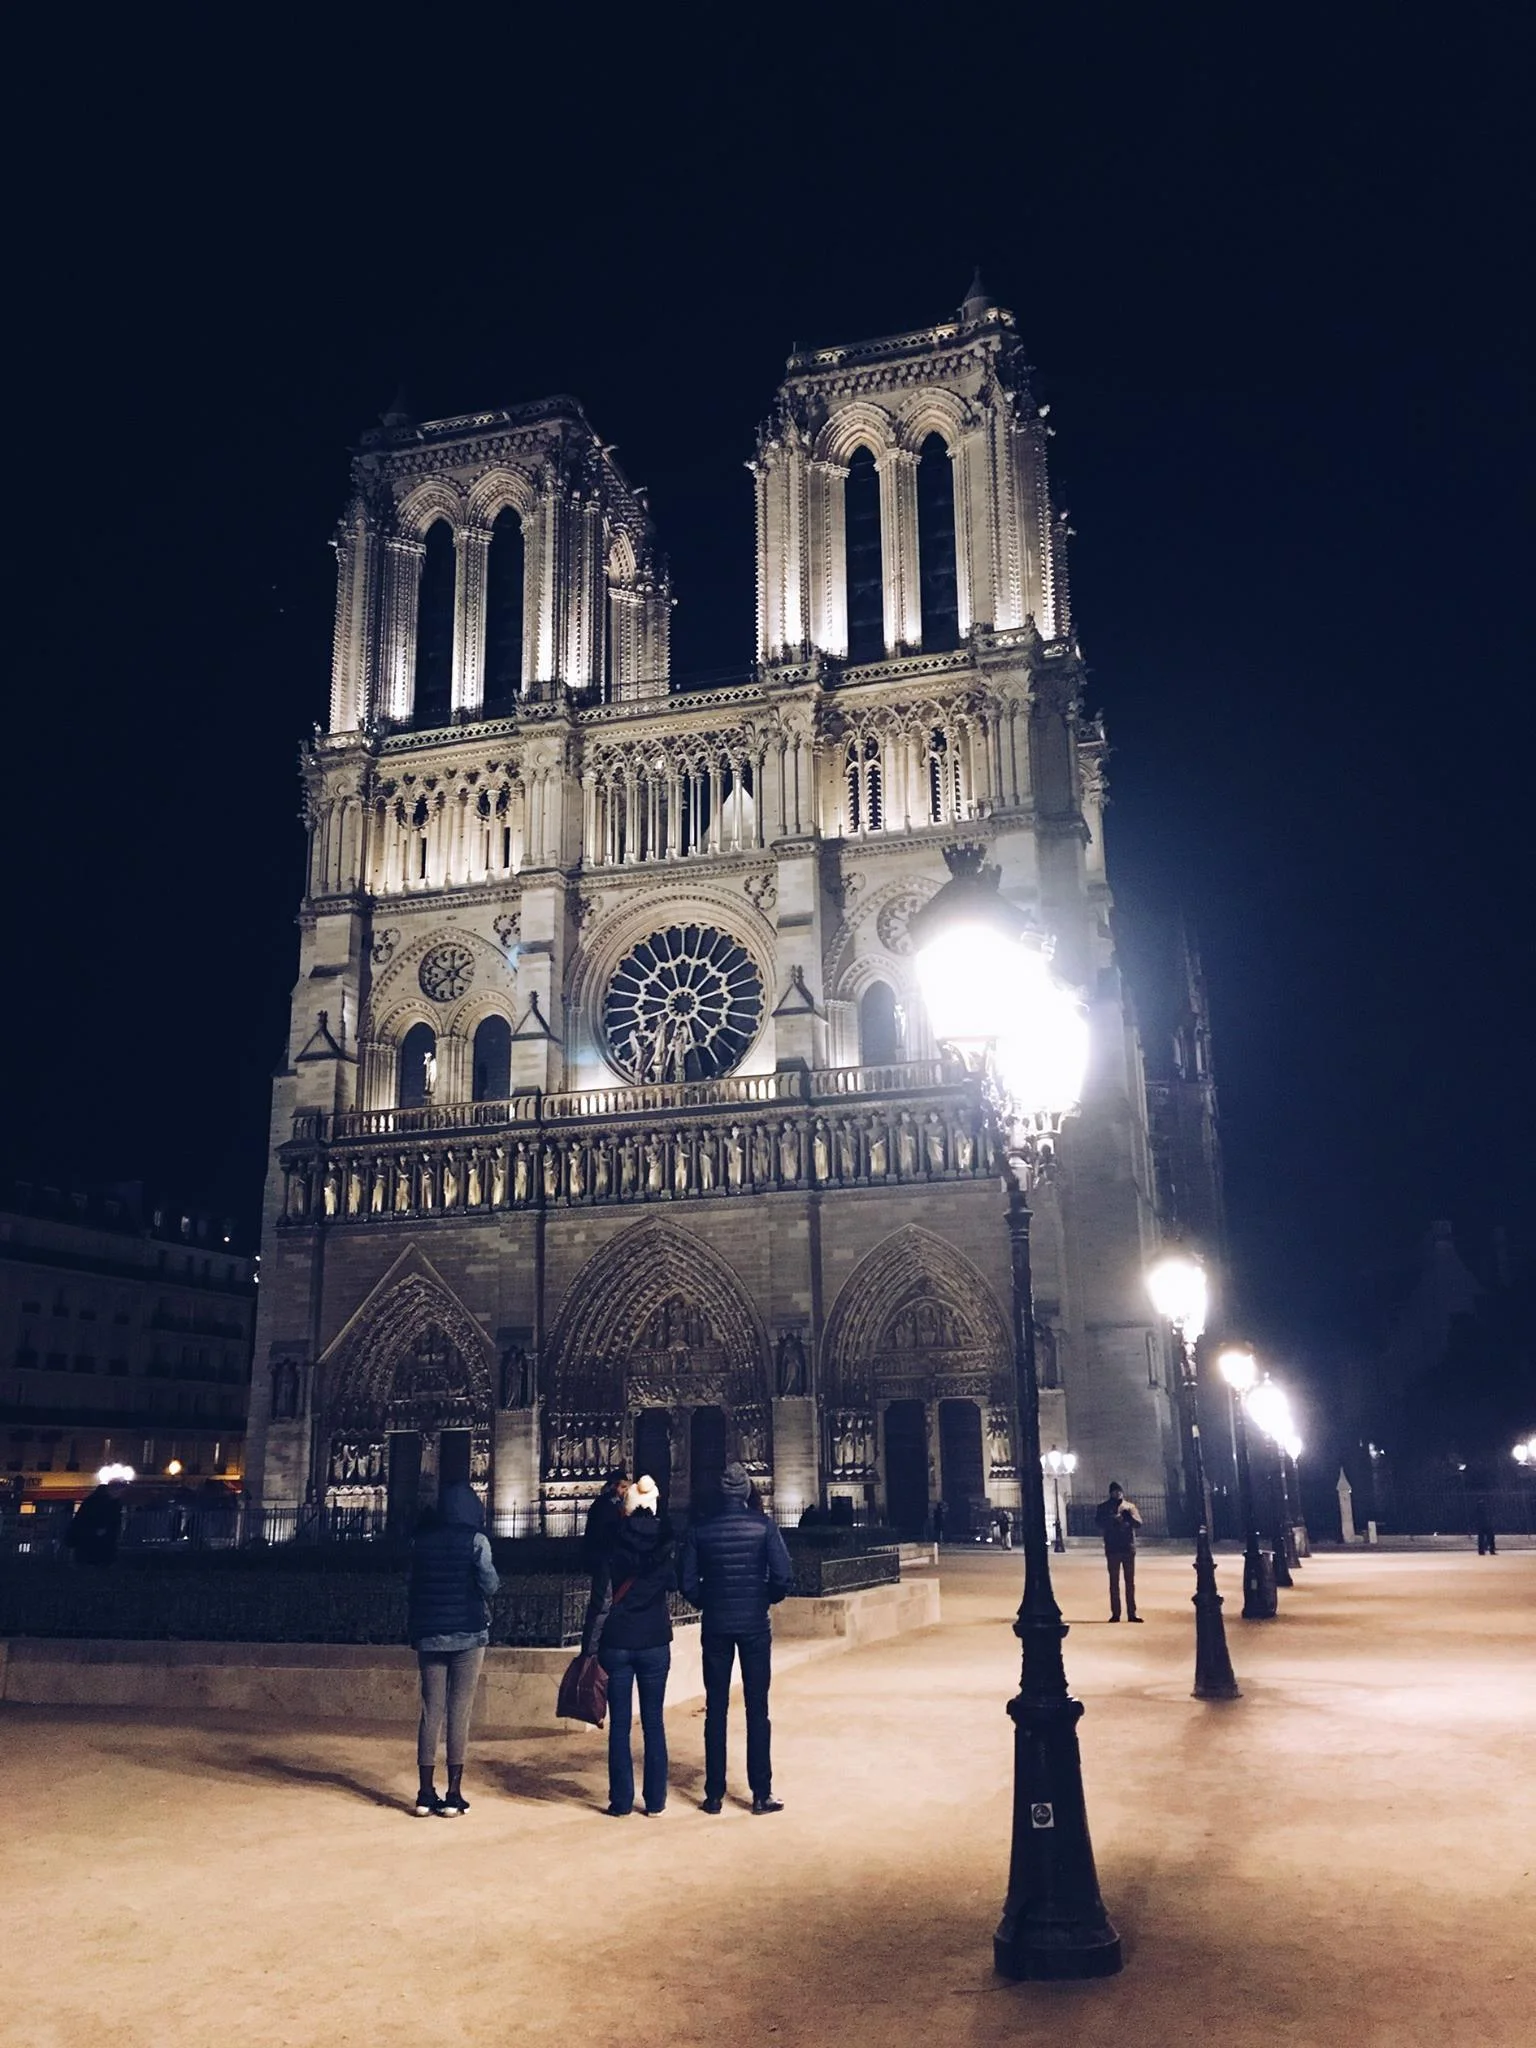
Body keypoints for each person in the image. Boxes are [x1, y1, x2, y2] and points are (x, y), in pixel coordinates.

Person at [679, 1460, 794, 1814]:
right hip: (755, 1627)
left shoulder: (701, 1530)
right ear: (746, 1492)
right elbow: (783, 1575)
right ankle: (760, 1794)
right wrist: (764, 1599)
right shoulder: (764, 1527)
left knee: (716, 1709)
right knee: (758, 1709)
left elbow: (685, 1581)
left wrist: (708, 1601)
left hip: (716, 1625)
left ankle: (713, 1795)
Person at [584, 1474, 676, 1817]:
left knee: (619, 1724)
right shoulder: (665, 1545)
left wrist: (587, 1648)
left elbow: (601, 1601)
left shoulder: (611, 1545)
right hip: (653, 1641)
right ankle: (655, 1801)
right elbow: (674, 1585)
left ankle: (621, 1801)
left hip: (617, 1643)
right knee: (654, 1721)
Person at [407, 1482, 500, 1817]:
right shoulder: (476, 1541)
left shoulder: (421, 1541)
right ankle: (453, 1794)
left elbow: (413, 1585)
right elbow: (491, 1584)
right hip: (467, 1634)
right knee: (459, 1711)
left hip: (430, 1633)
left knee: (431, 1711)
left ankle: (423, 1794)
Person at [1094, 1482, 1143, 1621]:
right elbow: (1098, 1523)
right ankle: (1116, 1613)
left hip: (1128, 1547)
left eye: (1119, 1491)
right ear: (1111, 1493)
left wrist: (1129, 1518)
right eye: (1115, 1491)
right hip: (1113, 1547)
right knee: (1114, 1582)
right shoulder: (1103, 1507)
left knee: (1130, 1583)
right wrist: (1112, 1520)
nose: (1118, 1494)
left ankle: (1131, 1613)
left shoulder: (1129, 1507)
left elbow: (1139, 1523)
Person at [65, 1479, 128, 1566]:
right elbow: (86, 1520)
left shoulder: (99, 1500)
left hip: (94, 1541)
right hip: (93, 1542)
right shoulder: (106, 1503)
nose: (120, 1494)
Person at [581, 1468, 628, 1568]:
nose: (625, 1491)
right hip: (603, 1550)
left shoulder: (611, 1502)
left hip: (606, 1550)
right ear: (614, 1487)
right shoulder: (605, 1504)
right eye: (623, 1487)